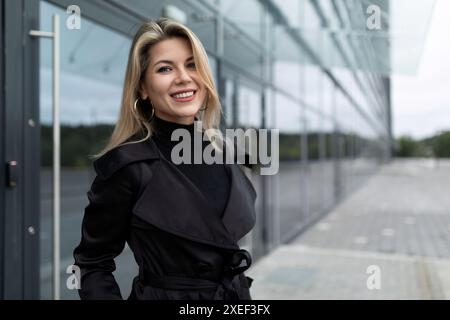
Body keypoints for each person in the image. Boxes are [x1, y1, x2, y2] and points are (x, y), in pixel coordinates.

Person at [73, 18, 257, 300]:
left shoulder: (224, 152)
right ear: (142, 89)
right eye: (165, 68)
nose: (183, 77)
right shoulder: (128, 165)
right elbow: (92, 264)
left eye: (192, 64)